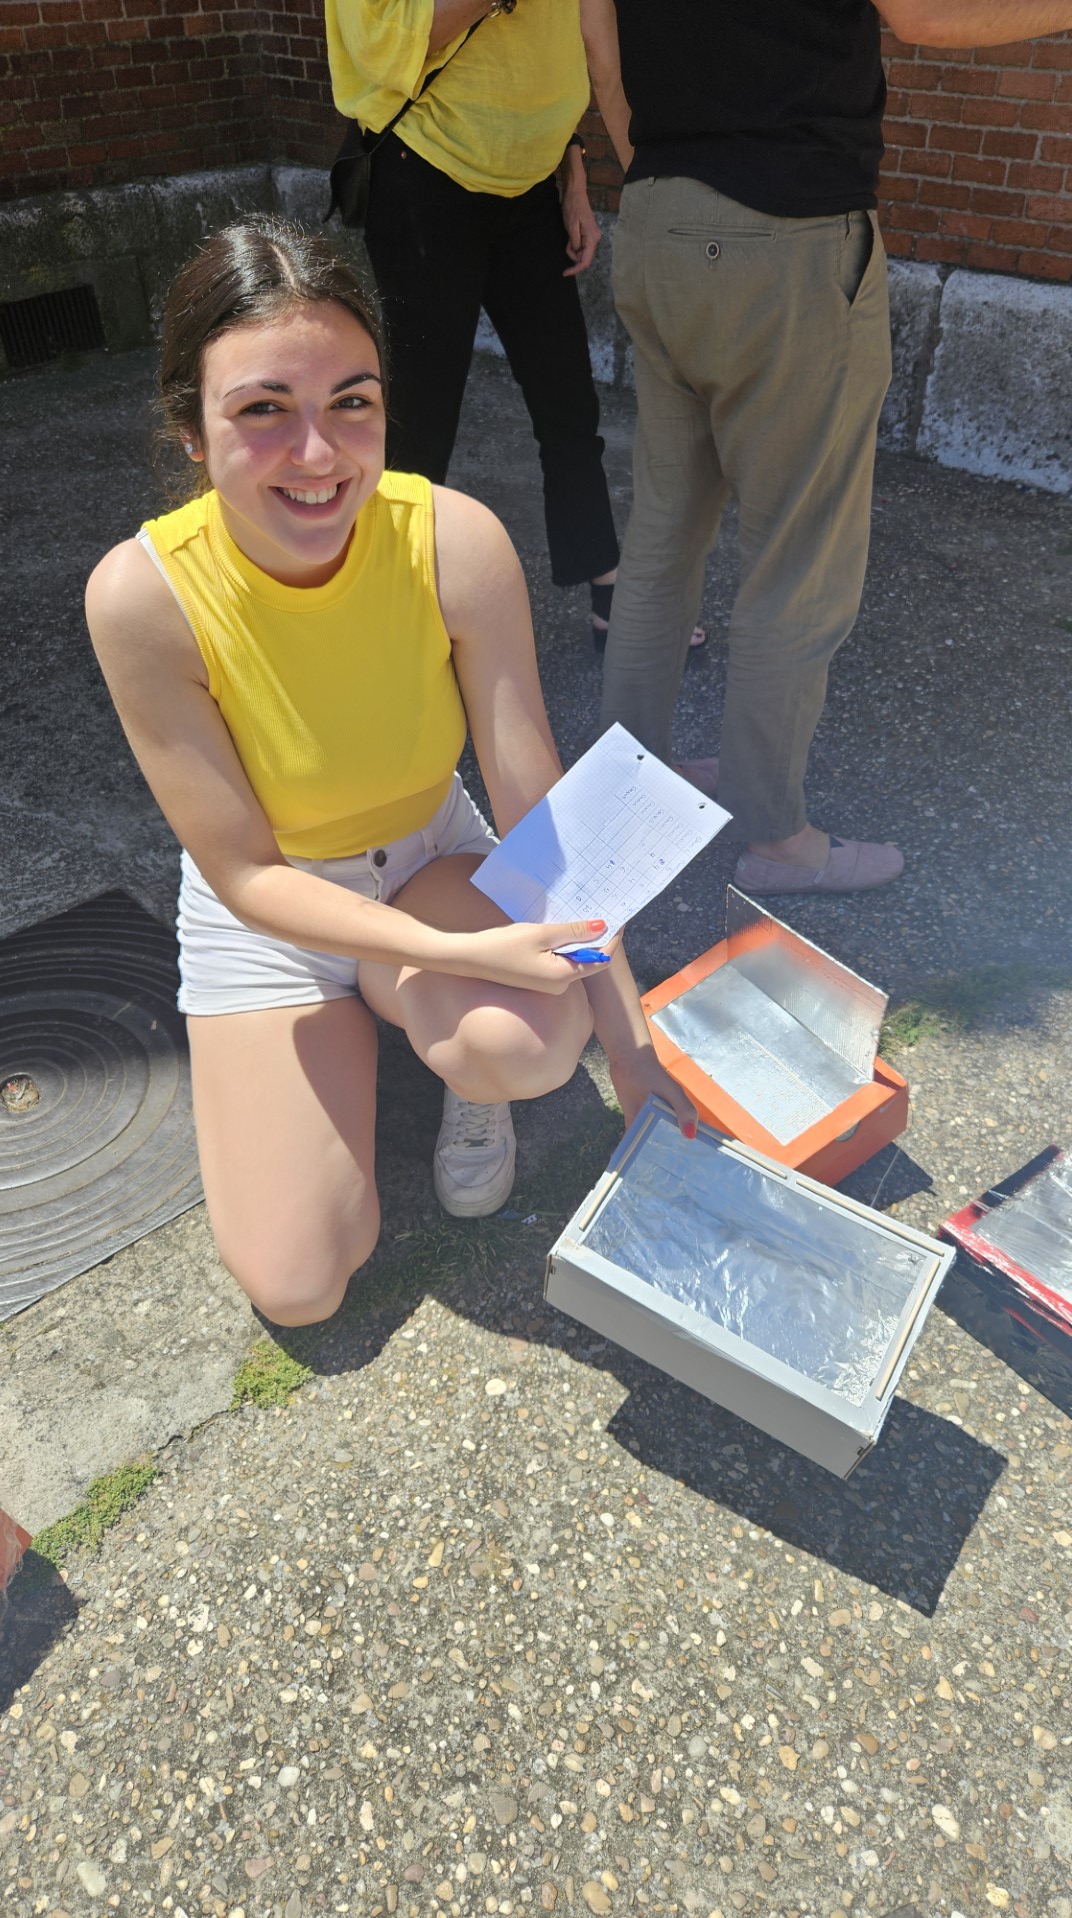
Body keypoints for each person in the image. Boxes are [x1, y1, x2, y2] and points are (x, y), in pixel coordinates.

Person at [85, 220, 695, 1329]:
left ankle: (449, 1059)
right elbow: (245, 874)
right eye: (263, 410)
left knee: (519, 1045)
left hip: (426, 860)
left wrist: (631, 1046)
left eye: (351, 401)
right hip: (272, 914)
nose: (318, 453)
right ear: (189, 429)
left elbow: (542, 813)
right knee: (302, 1285)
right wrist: (459, 956)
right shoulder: (141, 597)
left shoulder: (453, 541)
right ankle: (368, 1021)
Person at [586, 0, 1072, 896]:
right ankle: (777, 838)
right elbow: (925, 15)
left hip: (656, 213)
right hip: (788, 228)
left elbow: (598, 34)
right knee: (799, 557)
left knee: (661, 537)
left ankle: (626, 788)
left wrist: (673, 181)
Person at [324, 0, 705, 653]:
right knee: (422, 421)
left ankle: (608, 588)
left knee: (569, 404)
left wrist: (573, 174)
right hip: (426, 175)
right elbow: (382, 44)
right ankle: (391, 613)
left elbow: (563, 51)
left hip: (530, 187)